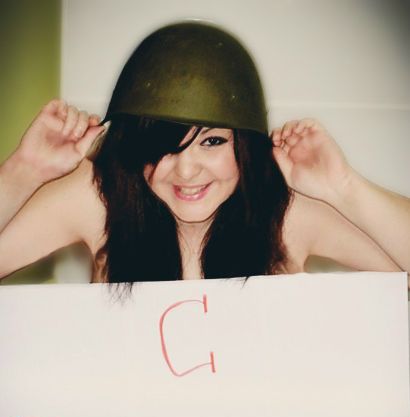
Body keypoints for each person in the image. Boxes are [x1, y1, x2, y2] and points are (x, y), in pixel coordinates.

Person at [0, 22, 409, 287]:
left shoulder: (284, 209)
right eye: (162, 148)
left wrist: (343, 186)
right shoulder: (100, 198)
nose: (186, 170)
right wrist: (25, 170)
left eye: (212, 142)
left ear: (244, 145)